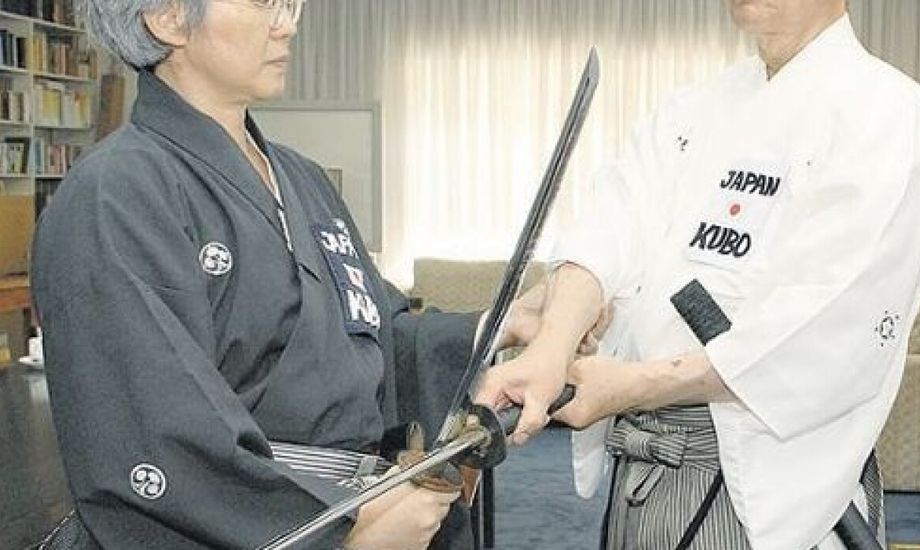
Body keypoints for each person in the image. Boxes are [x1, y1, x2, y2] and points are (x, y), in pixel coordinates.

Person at [31, 0, 544, 548]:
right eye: (263, 3)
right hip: (292, 524)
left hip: (367, 501)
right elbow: (156, 432)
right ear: (169, 17)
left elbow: (373, 334)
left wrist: (496, 324)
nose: (289, 22)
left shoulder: (302, 178)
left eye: (290, 3)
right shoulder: (113, 195)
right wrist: (344, 538)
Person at [476, 1, 920, 548]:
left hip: (763, 489)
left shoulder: (892, 115)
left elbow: (828, 324)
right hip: (643, 464)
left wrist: (629, 386)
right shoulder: (693, 107)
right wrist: (554, 344)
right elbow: (611, 229)